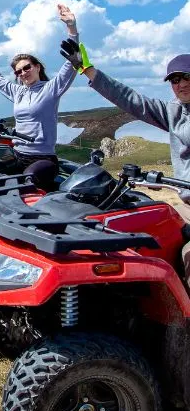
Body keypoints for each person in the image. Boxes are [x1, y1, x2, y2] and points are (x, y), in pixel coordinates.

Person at [60, 41, 190, 283]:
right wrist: (88, 70)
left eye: (187, 76)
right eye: (175, 80)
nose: (182, 84)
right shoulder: (175, 112)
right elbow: (132, 100)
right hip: (185, 203)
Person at [0, 4, 79, 190]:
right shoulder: (18, 92)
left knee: (26, 185)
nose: (23, 73)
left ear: (37, 67)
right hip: (17, 154)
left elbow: (70, 65)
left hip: (43, 158)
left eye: (27, 67)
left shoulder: (50, 89)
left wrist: (72, 29)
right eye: (18, 71)